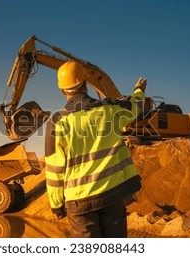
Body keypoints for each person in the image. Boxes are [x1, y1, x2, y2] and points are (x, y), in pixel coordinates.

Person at [44, 60, 146, 238]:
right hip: (112, 194)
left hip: (79, 202)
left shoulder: (57, 121)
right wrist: (139, 91)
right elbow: (135, 108)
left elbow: (54, 169)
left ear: (61, 89)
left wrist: (56, 204)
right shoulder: (110, 109)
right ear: (85, 82)